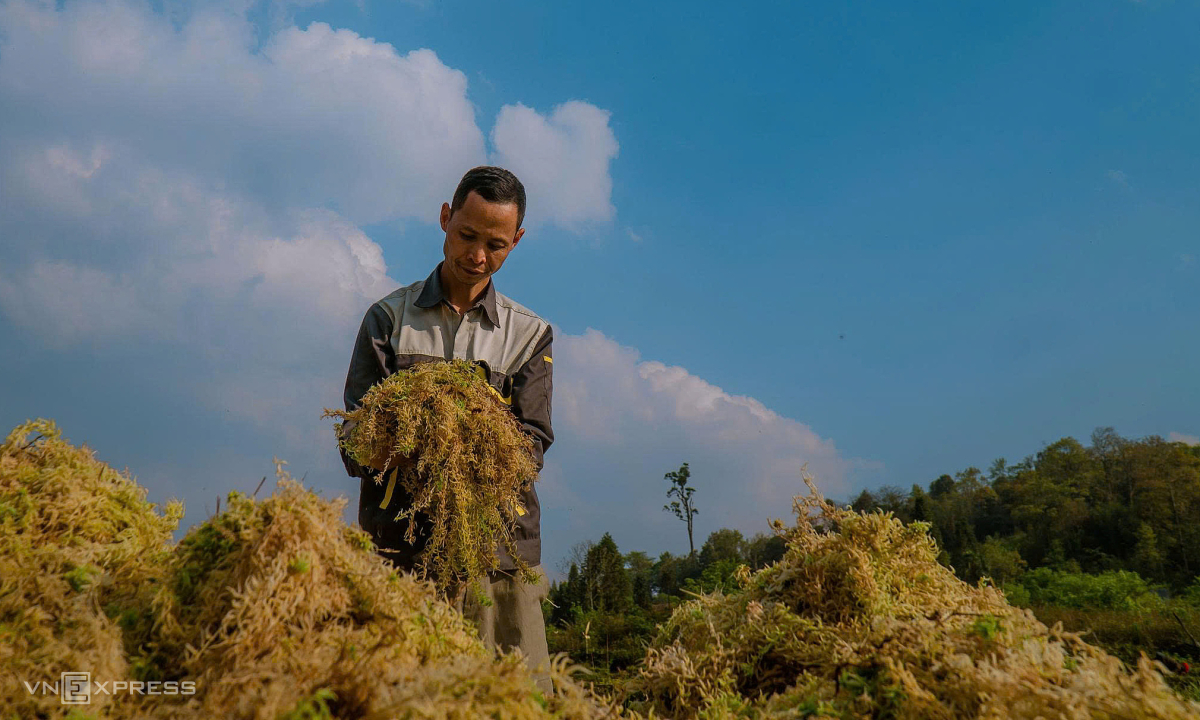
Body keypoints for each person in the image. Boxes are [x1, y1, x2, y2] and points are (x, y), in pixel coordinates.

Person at [339, 166, 554, 693]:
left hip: (496, 559)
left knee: (512, 698)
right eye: (467, 235)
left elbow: (531, 444)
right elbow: (355, 442)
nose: (477, 256)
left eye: (496, 245)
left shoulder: (529, 335)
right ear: (445, 218)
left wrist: (473, 442)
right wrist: (415, 439)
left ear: (516, 241)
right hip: (400, 555)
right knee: (397, 697)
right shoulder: (388, 320)